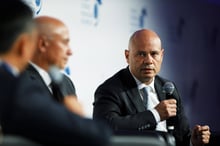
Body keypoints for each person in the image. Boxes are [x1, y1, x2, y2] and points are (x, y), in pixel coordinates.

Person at [0, 0, 111, 145]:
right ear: (24, 45)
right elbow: (95, 134)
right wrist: (78, 117)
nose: (70, 51)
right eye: (65, 42)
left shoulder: (64, 83)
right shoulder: (15, 88)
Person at [93, 28, 211, 146]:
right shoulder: (110, 90)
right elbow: (105, 127)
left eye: (154, 54)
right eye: (141, 54)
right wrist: (155, 115)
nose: (149, 61)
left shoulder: (168, 88)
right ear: (127, 56)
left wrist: (192, 142)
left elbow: (181, 137)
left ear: (162, 55)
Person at [24, 15, 81, 114]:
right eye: (64, 43)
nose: (70, 51)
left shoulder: (66, 82)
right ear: (42, 44)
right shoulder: (16, 81)